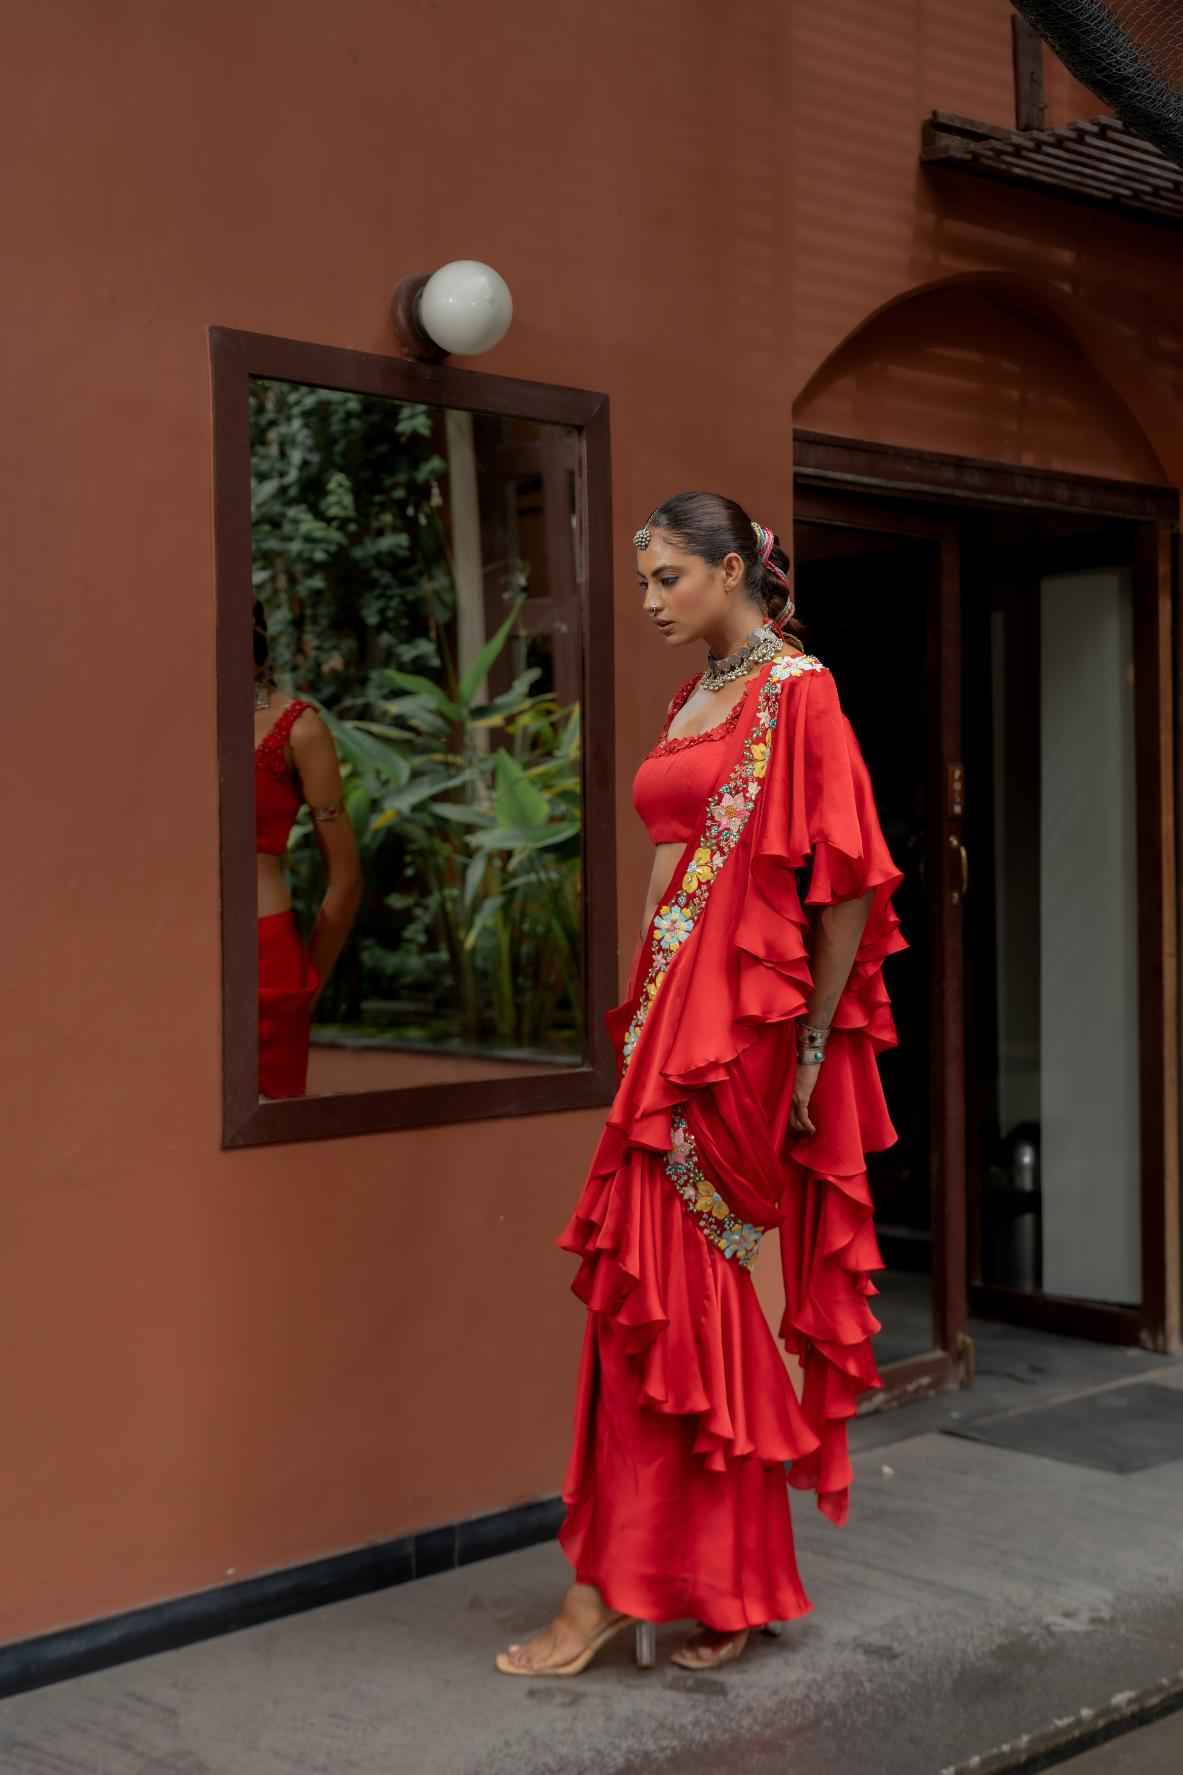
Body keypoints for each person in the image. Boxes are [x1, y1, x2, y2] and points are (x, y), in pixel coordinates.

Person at [496, 492, 905, 1677]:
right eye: (644, 581)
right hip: (669, 1025)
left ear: (731, 571)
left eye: (667, 577)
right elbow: (673, 854)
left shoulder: (798, 691)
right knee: (663, 1298)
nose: (649, 600)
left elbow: (849, 887)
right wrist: (641, 1018)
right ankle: (727, 1583)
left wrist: (813, 1043)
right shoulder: (699, 694)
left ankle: (612, 1591)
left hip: (748, 1032)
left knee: (663, 1292)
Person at [254, 601, 362, 1099]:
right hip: (167, 959)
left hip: (267, 966)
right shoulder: (168, 724)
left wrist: (307, 982)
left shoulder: (298, 728)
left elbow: (345, 878)